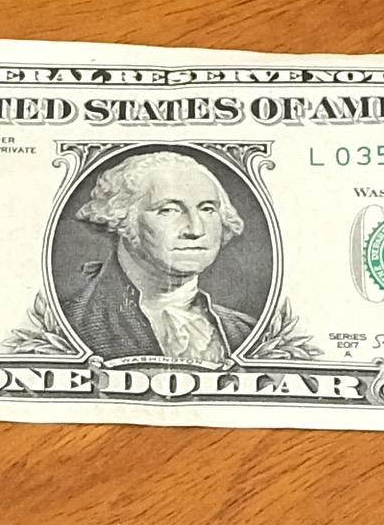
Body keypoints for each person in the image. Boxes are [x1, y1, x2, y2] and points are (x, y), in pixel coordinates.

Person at [50, 147, 269, 363]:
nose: (195, 229)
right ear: (122, 218)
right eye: (168, 210)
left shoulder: (247, 331)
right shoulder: (68, 326)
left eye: (207, 209)